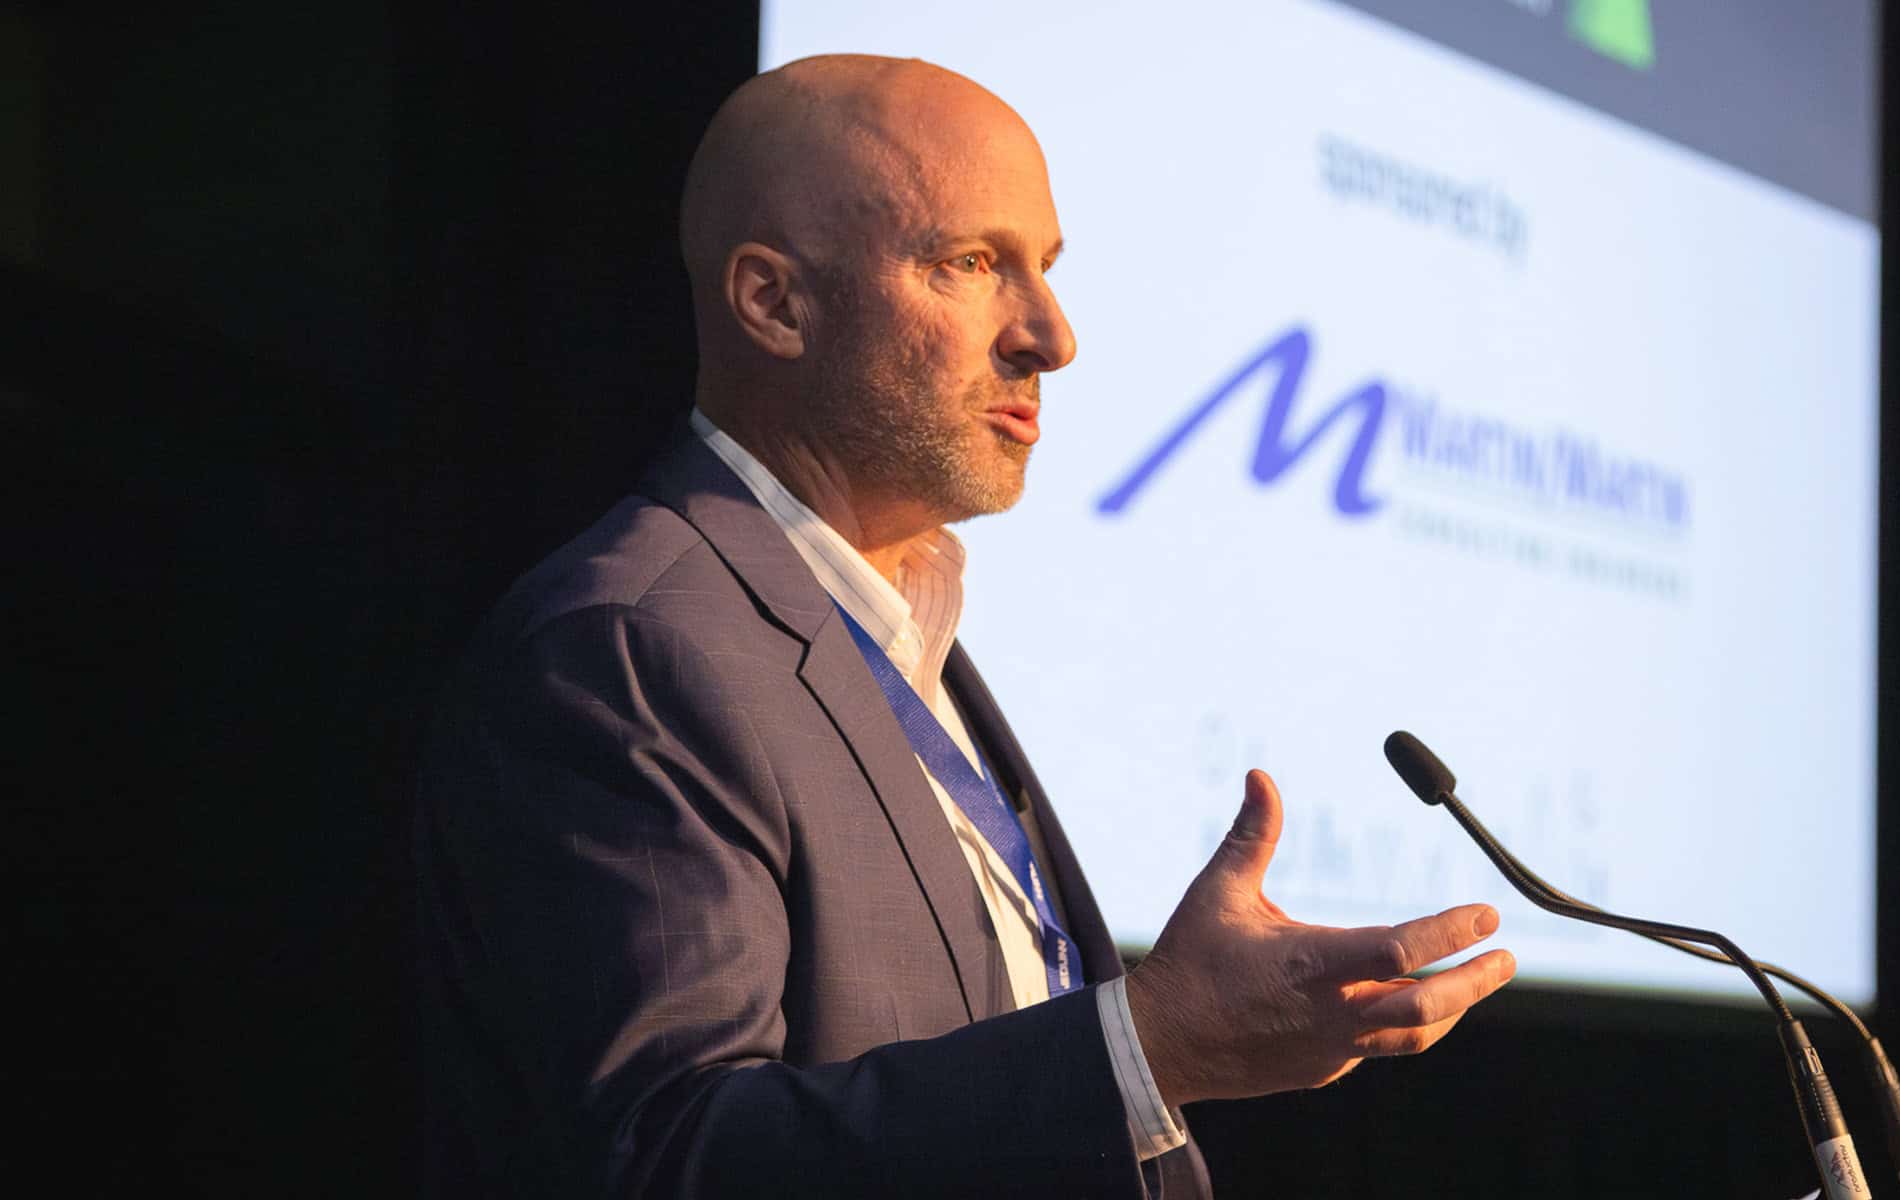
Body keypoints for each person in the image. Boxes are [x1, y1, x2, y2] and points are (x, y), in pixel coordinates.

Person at [414, 53, 1517, 1198]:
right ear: (772, 303)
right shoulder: (630, 648)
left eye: (1044, 267)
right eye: (973, 263)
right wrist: (1150, 1050)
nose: (1052, 335)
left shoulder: (908, 632)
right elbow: (671, 1158)